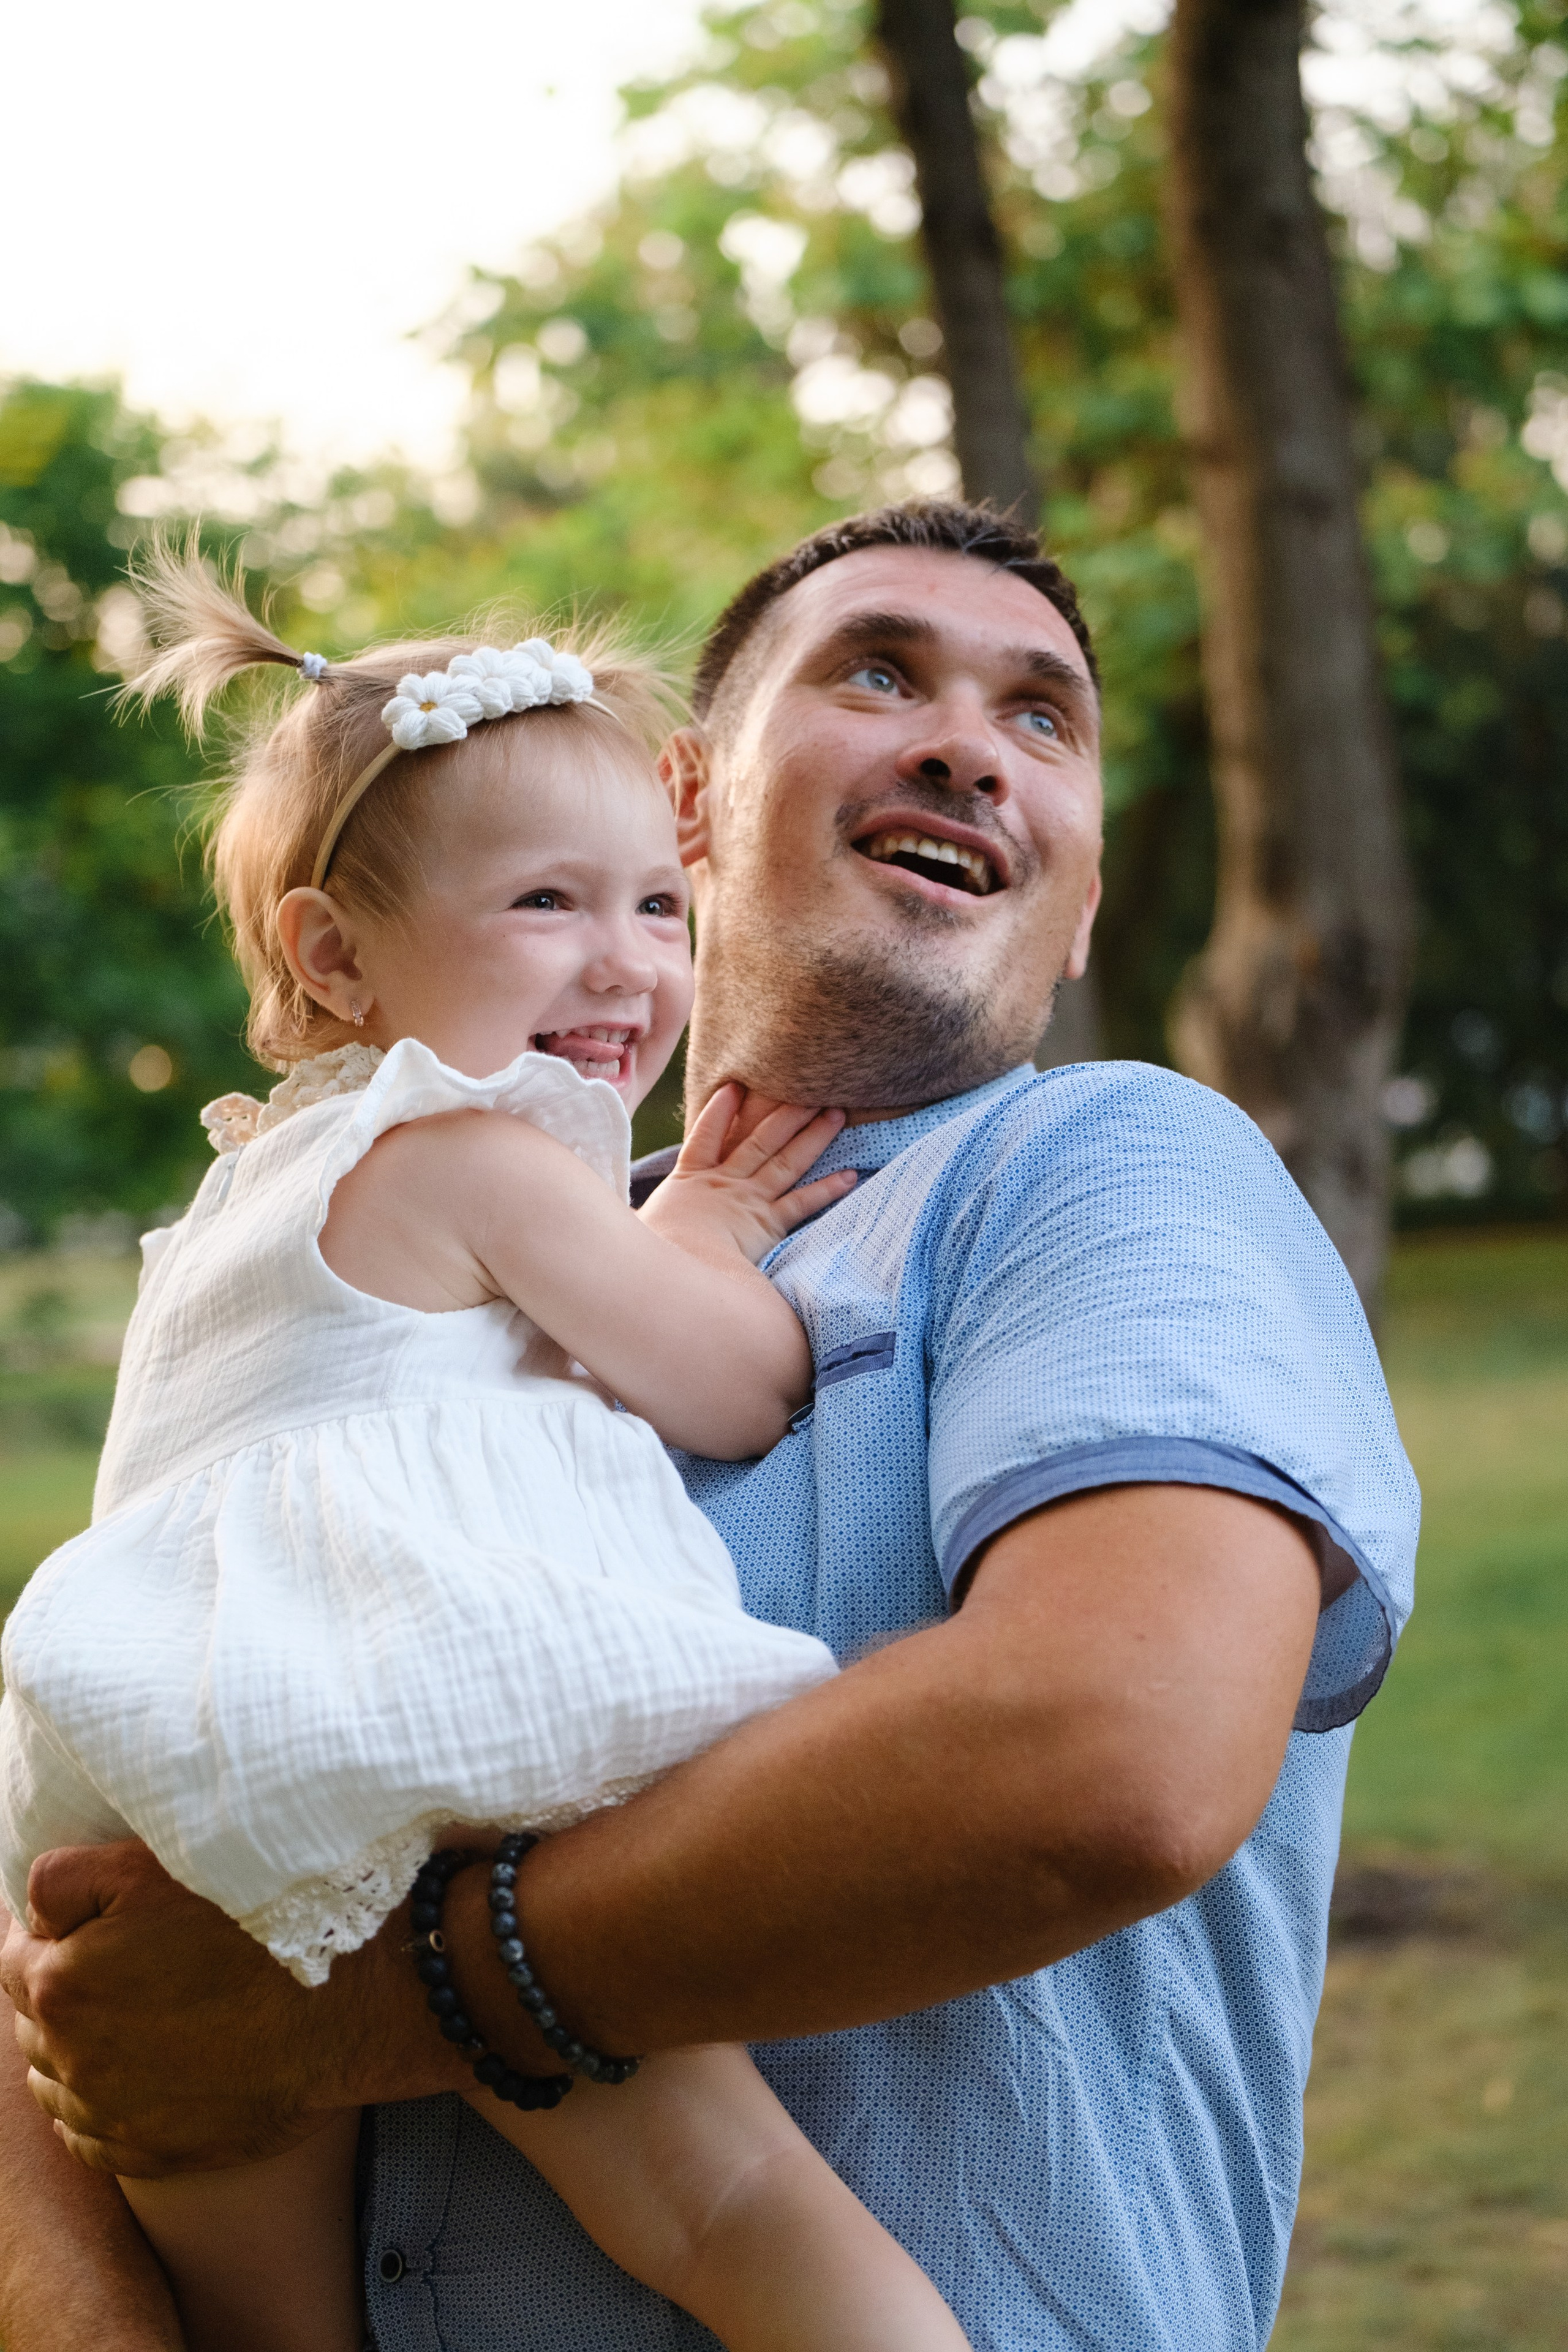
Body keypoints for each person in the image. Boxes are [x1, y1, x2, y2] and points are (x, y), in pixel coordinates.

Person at [1, 500, 1419, 2352]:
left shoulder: (1105, 1170)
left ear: (1076, 906)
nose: (967, 743)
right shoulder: (443, 1254)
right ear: (687, 799)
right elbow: (66, 1939)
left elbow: (1115, 1749)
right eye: (881, 669)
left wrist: (361, 1998)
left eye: (1044, 719)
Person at [0, 549, 970, 2352]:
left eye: (660, 910)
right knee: (726, 2197)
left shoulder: (247, 1190)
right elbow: (735, 1386)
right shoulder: (484, 1147)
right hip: (403, 1729)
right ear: (334, 952)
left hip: (165, 1801)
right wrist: (713, 1230)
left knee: (260, 2313)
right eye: (545, 902)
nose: (625, 962)